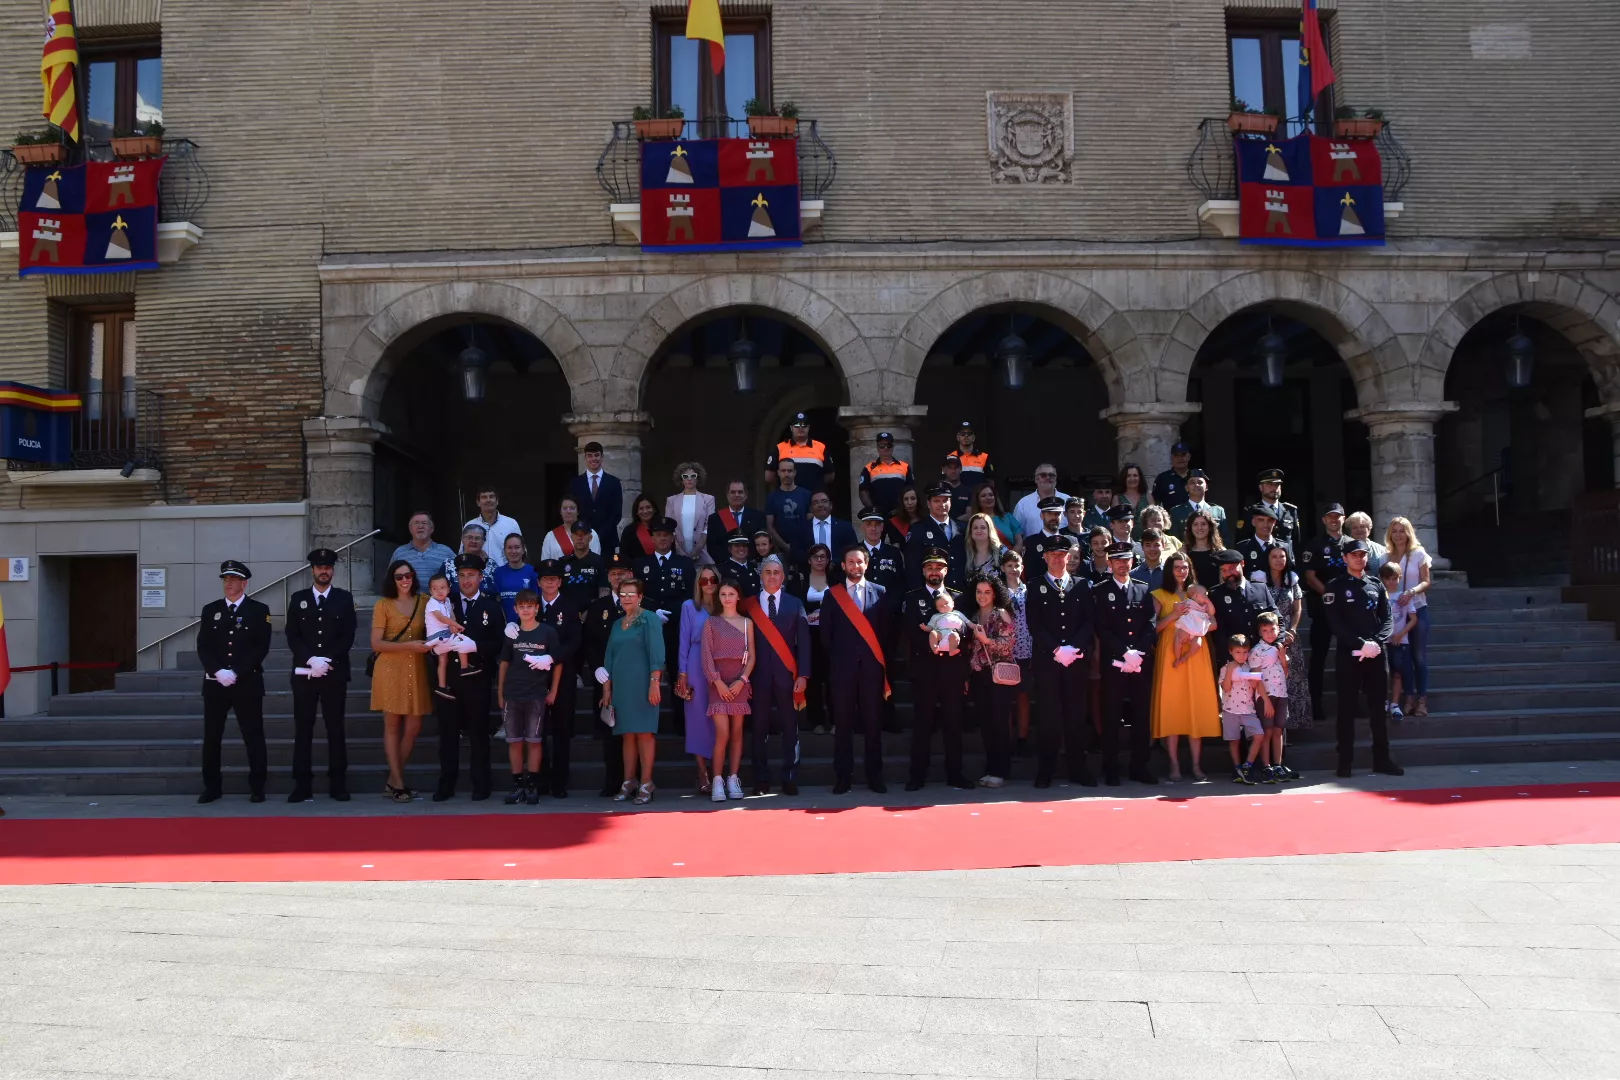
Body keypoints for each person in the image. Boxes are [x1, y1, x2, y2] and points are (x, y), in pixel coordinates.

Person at [1323, 539, 1403, 778]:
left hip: (1376, 654)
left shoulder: (1376, 584)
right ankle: (1345, 761)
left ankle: (1382, 759)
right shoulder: (1335, 586)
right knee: (1346, 708)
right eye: (1354, 555)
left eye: (1363, 554)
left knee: (1378, 708)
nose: (1359, 559)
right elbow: (1335, 623)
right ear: (1345, 558)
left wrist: (1376, 642)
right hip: (1349, 655)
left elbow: (1387, 619)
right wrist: (1360, 644)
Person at [196, 560, 272, 804]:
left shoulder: (259, 610)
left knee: (253, 735)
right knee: (212, 737)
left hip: (246, 682)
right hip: (215, 683)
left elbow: (261, 647)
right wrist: (218, 671)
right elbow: (204, 646)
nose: (228, 584)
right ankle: (212, 787)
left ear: (244, 583)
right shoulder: (211, 610)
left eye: (234, 580)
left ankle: (257, 787)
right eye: (226, 579)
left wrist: (236, 671)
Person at [284, 549, 357, 803]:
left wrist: (327, 660)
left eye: (327, 567)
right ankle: (302, 784)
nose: (323, 571)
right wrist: (310, 660)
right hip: (305, 674)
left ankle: (338, 783)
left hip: (333, 673)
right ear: (312, 570)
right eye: (319, 567)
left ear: (333, 570)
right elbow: (292, 634)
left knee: (335, 728)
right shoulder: (299, 598)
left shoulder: (344, 599)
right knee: (303, 729)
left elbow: (348, 635)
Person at [432, 554, 506, 802]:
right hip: (450, 679)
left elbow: (499, 643)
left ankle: (481, 784)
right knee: (448, 735)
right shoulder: (445, 603)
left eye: (471, 575)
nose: (466, 580)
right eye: (462, 575)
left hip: (478, 679)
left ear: (480, 577)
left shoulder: (491, 607)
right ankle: (446, 784)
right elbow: (430, 631)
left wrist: (476, 647)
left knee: (479, 734)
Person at [1026, 534, 1096, 788]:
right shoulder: (1035, 586)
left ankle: (1078, 769)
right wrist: (1056, 649)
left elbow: (1089, 621)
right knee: (1048, 716)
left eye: (1062, 554)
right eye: (1053, 554)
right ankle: (1046, 770)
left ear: (1069, 557)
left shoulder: (1082, 585)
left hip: (1075, 660)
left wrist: (1073, 647)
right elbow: (1035, 624)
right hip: (1048, 661)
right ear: (1045, 557)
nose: (1057, 558)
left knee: (1076, 716)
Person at [821, 546, 891, 794]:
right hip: (843, 670)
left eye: (859, 561)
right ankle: (843, 776)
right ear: (843, 566)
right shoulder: (832, 595)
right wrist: (842, 659)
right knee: (843, 724)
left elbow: (885, 631)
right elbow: (826, 635)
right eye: (850, 562)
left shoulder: (880, 592)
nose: (855, 566)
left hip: (871, 670)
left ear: (866, 564)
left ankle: (875, 776)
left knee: (872, 723)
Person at [902, 550, 972, 791]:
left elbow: (967, 630)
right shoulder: (913, 597)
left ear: (946, 571)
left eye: (938, 567)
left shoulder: (959, 597)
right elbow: (911, 631)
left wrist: (956, 641)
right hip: (925, 668)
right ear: (923, 571)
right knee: (923, 723)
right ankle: (917, 775)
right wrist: (937, 645)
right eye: (929, 567)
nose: (934, 572)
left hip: (953, 669)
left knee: (953, 722)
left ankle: (955, 774)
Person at [1150, 551, 1222, 783]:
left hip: (1196, 652)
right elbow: (1154, 628)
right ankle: (1174, 764)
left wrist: (1195, 627)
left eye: (1185, 567)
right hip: (1170, 651)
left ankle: (1196, 765)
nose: (1181, 571)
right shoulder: (1159, 595)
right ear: (1169, 571)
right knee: (1172, 706)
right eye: (1177, 567)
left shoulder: (1198, 595)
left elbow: (1213, 624)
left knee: (1195, 706)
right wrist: (1175, 615)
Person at [1093, 540, 1160, 785]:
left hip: (1140, 663)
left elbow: (1150, 624)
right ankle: (1111, 768)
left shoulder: (1143, 589)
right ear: (1110, 563)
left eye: (1126, 560)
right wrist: (1124, 652)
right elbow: (1101, 627)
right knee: (1111, 715)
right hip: (1114, 663)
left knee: (1141, 715)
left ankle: (1139, 766)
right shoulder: (1100, 590)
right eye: (1117, 560)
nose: (1123, 564)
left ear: (1132, 561)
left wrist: (1138, 652)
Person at [744, 555, 811, 795]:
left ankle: (790, 777)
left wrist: (803, 675)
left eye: (776, 573)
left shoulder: (795, 603)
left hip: (787, 676)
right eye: (767, 572)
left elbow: (804, 642)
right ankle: (761, 779)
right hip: (757, 676)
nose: (772, 577)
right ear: (760, 576)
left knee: (790, 727)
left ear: (783, 577)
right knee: (758, 728)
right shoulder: (748, 605)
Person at [599, 578, 666, 805]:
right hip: (622, 686)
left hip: (644, 684)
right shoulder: (617, 623)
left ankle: (647, 783)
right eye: (623, 594)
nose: (627, 598)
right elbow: (609, 656)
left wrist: (655, 682)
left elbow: (657, 652)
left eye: (631, 594)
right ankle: (629, 781)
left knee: (645, 733)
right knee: (627, 734)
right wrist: (607, 689)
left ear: (640, 596)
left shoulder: (649, 619)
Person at [370, 559, 431, 802]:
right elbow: (376, 643)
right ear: (392, 580)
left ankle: (392, 780)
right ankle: (397, 782)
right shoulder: (383, 604)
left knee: (414, 727)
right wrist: (409, 646)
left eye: (408, 575)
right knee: (392, 725)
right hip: (390, 668)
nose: (405, 580)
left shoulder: (424, 601)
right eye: (399, 576)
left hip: (416, 668)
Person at [496, 588, 562, 806]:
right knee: (514, 742)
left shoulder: (547, 632)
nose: (526, 610)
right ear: (515, 609)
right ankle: (517, 786)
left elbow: (557, 663)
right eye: (521, 607)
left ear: (537, 608)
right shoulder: (512, 633)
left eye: (530, 606)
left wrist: (553, 690)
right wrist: (500, 692)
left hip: (536, 694)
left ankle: (532, 785)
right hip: (512, 694)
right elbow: (504, 663)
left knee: (534, 742)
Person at [581, 555, 634, 796]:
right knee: (609, 732)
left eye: (622, 573)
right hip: (605, 680)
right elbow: (589, 643)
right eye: (613, 574)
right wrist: (596, 667)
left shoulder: (642, 605)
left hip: (633, 678)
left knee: (634, 731)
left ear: (630, 575)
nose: (617, 577)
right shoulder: (597, 607)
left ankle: (635, 780)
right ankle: (613, 781)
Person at [530, 560, 582, 798]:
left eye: (553, 579)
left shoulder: (569, 607)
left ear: (560, 582)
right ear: (539, 582)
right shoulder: (532, 606)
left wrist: (552, 657)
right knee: (537, 731)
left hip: (563, 676)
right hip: (535, 676)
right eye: (545, 579)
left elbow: (574, 641)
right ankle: (540, 780)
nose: (549, 583)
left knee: (562, 730)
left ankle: (560, 782)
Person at [702, 579, 755, 802]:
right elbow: (706, 656)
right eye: (723, 594)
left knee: (737, 732)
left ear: (738, 596)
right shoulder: (711, 622)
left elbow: (752, 657)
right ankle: (717, 779)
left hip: (739, 683)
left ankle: (733, 777)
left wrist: (742, 680)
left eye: (731, 594)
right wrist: (717, 682)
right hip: (718, 684)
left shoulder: (747, 623)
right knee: (722, 733)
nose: (727, 598)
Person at [637, 517, 694, 722]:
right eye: (659, 535)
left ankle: (681, 722)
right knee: (646, 675)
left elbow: (691, 595)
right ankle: (645, 722)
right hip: (647, 628)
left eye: (666, 535)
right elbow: (636, 595)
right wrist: (653, 612)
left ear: (672, 538)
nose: (662, 538)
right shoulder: (641, 564)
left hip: (676, 629)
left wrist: (672, 613)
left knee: (678, 674)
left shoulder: (684, 564)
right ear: (652, 538)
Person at [1259, 544, 1311, 757]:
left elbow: (1298, 608)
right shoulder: (1260, 580)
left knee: (1292, 682)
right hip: (1269, 637)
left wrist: (1293, 629)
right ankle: (1270, 731)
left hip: (1289, 637)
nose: (1279, 560)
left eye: (1282, 556)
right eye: (1274, 556)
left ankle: (1288, 730)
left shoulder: (1293, 580)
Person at [966, 573, 1016, 787]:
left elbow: (1008, 644)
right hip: (979, 675)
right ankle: (991, 768)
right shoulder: (974, 615)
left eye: (987, 592)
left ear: (995, 594)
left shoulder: (1001, 613)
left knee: (999, 723)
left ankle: (1001, 770)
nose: (982, 596)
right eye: (979, 592)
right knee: (986, 723)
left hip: (999, 676)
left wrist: (986, 640)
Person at [1300, 502, 1348, 722]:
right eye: (1330, 516)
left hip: (1348, 610)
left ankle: (1350, 704)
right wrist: (1331, 597)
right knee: (1319, 657)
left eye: (1338, 516)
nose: (1334, 520)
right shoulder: (1315, 544)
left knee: (1350, 658)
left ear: (1343, 519)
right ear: (1324, 520)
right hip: (1323, 610)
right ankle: (1316, 706)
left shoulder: (1351, 544)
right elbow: (1310, 577)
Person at [676, 566, 720, 795]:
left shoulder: (724, 605)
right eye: (704, 581)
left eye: (713, 579)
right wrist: (682, 673)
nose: (709, 584)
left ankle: (718, 771)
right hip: (695, 663)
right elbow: (683, 641)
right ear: (698, 584)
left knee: (719, 718)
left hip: (721, 663)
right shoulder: (689, 607)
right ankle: (702, 772)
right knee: (697, 718)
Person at [1385, 515, 1434, 718]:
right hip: (1396, 614)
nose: (1398, 535)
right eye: (1394, 531)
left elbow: (1426, 581)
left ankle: (1422, 700)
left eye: (1402, 531)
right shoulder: (1386, 556)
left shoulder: (1418, 553)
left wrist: (1411, 592)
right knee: (1402, 660)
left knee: (1418, 657)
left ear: (1408, 533)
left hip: (1417, 609)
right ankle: (1408, 698)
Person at [790, 543, 836, 734]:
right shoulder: (800, 580)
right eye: (816, 556)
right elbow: (794, 603)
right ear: (809, 560)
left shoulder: (836, 579)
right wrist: (807, 615)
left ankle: (835, 721)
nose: (819, 560)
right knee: (813, 679)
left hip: (832, 636)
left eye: (823, 556)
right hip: (808, 635)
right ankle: (816, 721)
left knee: (832, 679)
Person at [1208, 548, 1277, 674]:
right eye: (1224, 570)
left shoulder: (1260, 589)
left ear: (1242, 564)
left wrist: (1277, 646)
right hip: (1234, 662)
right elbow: (1218, 633)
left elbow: (1277, 619)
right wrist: (1229, 660)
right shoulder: (1215, 594)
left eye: (1231, 568)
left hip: (1265, 659)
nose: (1228, 573)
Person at [1219, 634, 1272, 784]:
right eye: (1238, 652)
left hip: (1248, 710)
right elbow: (1226, 688)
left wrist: (1253, 682)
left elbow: (1256, 686)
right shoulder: (1225, 668)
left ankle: (1247, 765)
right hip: (1230, 710)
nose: (1242, 656)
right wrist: (1230, 671)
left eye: (1245, 652)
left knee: (1259, 735)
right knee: (1234, 740)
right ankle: (1237, 768)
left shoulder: (1250, 669)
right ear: (1230, 651)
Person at [1249, 612, 1292, 782]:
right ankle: (1266, 766)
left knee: (1278, 729)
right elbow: (1256, 678)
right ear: (1260, 632)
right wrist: (1266, 701)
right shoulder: (1256, 651)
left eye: (1272, 629)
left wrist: (1283, 659)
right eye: (1265, 630)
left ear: (1278, 629)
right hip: (1265, 696)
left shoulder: (1280, 648)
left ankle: (1278, 764)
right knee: (1267, 730)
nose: (1269, 633)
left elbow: (1285, 672)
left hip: (1281, 693)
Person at [1000, 549, 1034, 755]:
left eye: (1017, 565)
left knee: (1023, 695)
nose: (1013, 569)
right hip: (1004, 652)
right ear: (1003, 568)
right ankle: (1005, 739)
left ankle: (1022, 738)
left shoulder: (1029, 591)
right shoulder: (998, 592)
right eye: (1009, 566)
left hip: (1025, 650)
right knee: (1005, 698)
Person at [425, 570, 477, 700]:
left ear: (448, 589)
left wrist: (453, 625)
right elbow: (441, 618)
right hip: (437, 636)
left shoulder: (447, 601)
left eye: (442, 587)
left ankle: (442, 686)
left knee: (443, 660)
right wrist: (456, 625)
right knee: (460, 641)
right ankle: (464, 667)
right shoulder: (432, 603)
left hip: (444, 633)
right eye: (435, 589)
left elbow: (451, 615)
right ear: (430, 591)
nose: (439, 591)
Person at [569, 441, 623, 558]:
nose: (593, 459)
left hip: (607, 540)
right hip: (582, 539)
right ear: (585, 458)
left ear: (602, 457)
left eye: (596, 455)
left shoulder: (614, 482)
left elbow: (616, 514)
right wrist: (584, 533)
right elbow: (573, 512)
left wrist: (598, 535)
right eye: (590, 456)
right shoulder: (575, 483)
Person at [1381, 562, 1418, 722]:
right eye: (1388, 579)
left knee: (1397, 673)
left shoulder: (1404, 597)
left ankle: (1395, 704)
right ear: (1382, 579)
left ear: (1400, 578)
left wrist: (1401, 634)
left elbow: (1413, 619)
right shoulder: (1379, 596)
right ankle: (1383, 702)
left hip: (1400, 642)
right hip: (1383, 642)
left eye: (1395, 578)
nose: (1392, 582)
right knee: (1383, 674)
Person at [765, 412, 834, 495]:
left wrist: (816, 485)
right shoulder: (780, 448)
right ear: (791, 428)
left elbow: (830, 475)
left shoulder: (820, 447)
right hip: (789, 497)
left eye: (804, 425)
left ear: (808, 427)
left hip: (813, 498)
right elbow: (769, 477)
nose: (801, 428)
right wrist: (783, 486)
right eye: (797, 425)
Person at [664, 461, 716, 565]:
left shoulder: (708, 499)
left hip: (702, 553)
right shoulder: (671, 500)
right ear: (681, 479)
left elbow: (709, 525)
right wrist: (679, 550)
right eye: (685, 476)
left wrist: (699, 548)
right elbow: (669, 526)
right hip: (678, 553)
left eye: (693, 476)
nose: (689, 479)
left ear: (698, 478)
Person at [1234, 468, 1300, 548]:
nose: (1274, 488)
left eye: (1277, 484)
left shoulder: (1291, 510)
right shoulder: (1250, 511)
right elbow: (1241, 541)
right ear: (1261, 487)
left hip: (1284, 555)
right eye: (1270, 484)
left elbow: (1297, 542)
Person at [706, 479, 766, 567]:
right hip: (725, 567)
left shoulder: (758, 516)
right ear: (727, 495)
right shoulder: (715, 518)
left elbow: (762, 542)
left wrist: (746, 564)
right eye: (733, 492)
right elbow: (712, 546)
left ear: (746, 495)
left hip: (752, 567)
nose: (736, 495)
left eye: (740, 492)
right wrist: (731, 564)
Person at [390, 511, 456, 587]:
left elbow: (458, 577)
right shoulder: (399, 553)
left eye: (424, 523)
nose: (420, 526)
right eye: (416, 523)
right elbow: (390, 581)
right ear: (410, 529)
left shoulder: (446, 552)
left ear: (431, 529)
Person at [858, 431, 914, 517]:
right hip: (878, 517)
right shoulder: (869, 468)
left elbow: (911, 490)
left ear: (893, 447)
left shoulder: (905, 466)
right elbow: (863, 492)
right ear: (877, 447)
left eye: (889, 445)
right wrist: (873, 510)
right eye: (882, 445)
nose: (885, 448)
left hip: (901, 515)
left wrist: (902, 509)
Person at [462, 485, 522, 560]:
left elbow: (521, 551)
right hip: (478, 567)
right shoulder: (470, 525)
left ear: (497, 501)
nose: (488, 500)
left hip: (505, 568)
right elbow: (462, 554)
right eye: (484, 497)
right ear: (478, 502)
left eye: (491, 496)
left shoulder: (511, 524)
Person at [490, 533, 539, 624]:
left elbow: (537, 601)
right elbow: (496, 601)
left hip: (527, 625)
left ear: (523, 550)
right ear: (504, 551)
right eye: (509, 548)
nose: (513, 551)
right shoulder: (498, 573)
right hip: (504, 625)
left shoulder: (533, 572)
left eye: (517, 547)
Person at [855, 508, 906, 596]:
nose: (873, 528)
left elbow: (900, 584)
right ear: (862, 527)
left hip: (889, 603)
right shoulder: (854, 552)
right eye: (869, 524)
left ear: (882, 527)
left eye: (877, 524)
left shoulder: (894, 553)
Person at [1013, 463, 1070, 538]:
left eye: (1051, 475)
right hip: (1032, 545)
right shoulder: (1023, 504)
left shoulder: (1067, 500)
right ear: (1036, 479)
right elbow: (1016, 533)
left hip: (1064, 545)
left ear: (1056, 479)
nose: (1048, 478)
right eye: (1043, 475)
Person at [765, 460, 810, 555]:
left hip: (804, 549)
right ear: (778, 473)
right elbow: (770, 526)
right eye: (783, 470)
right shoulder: (772, 497)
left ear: (795, 473)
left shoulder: (806, 495)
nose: (786, 474)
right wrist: (785, 546)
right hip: (780, 551)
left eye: (789, 471)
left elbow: (811, 523)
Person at [539, 495, 601, 562]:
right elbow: (545, 564)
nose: (568, 511)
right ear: (560, 512)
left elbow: (595, 561)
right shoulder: (550, 536)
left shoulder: (591, 533)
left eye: (572, 508)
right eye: (564, 508)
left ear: (578, 511)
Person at [1168, 470, 1226, 539]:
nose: (1196, 485)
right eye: (1192, 482)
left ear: (1206, 487)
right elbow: (1173, 539)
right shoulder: (1176, 512)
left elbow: (1225, 538)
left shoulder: (1218, 511)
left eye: (1200, 482)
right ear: (1186, 488)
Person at [561, 523, 606, 610]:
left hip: (593, 613)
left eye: (583, 534)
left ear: (590, 537)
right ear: (571, 537)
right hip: (567, 613)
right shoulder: (562, 562)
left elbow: (604, 590)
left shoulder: (599, 561)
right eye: (576, 534)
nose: (579, 538)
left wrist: (593, 611)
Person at [1234, 504, 1287, 578]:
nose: (1265, 525)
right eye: (1261, 520)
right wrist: (1251, 576)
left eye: (1269, 520)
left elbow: (1290, 571)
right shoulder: (1242, 548)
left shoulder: (1285, 547)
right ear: (1253, 522)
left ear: (1274, 523)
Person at [801, 490, 856, 559]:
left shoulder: (845, 527)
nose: (820, 505)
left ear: (831, 505)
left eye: (824, 501)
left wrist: (835, 563)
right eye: (816, 503)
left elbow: (853, 550)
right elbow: (797, 553)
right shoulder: (802, 529)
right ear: (811, 508)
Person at [1182, 508, 1227, 589]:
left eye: (1203, 524)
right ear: (1190, 528)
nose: (1199, 527)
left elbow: (1223, 583)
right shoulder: (1183, 552)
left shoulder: (1221, 552)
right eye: (1195, 524)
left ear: (1210, 527)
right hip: (1190, 595)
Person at [1172, 584, 1216, 666]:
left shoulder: (1205, 606)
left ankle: (1186, 656)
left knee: (1198, 644)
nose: (1207, 596)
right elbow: (1175, 605)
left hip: (1197, 631)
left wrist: (1209, 602)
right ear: (1196, 596)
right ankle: (1178, 658)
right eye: (1204, 594)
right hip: (1186, 627)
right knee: (1178, 640)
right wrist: (1177, 606)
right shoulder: (1188, 602)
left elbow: (1212, 612)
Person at [970, 482, 1021, 550]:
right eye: (983, 496)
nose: (988, 498)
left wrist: (1011, 556)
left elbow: (1019, 542)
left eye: (991, 495)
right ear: (977, 500)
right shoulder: (974, 521)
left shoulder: (1008, 517)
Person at [450, 523, 497, 594]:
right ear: (462, 539)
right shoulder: (449, 564)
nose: (473, 541)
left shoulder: (492, 565)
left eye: (477, 538)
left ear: (484, 541)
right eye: (469, 537)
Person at [946, 420, 994, 491]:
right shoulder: (950, 457)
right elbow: (945, 481)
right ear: (958, 437)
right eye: (962, 434)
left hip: (978, 497)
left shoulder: (984, 457)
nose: (966, 436)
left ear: (973, 437)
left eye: (969, 433)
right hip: (958, 496)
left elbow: (990, 481)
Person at [1023, 495, 1066, 567]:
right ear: (1042, 516)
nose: (1053, 517)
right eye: (1049, 514)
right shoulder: (1030, 543)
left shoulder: (1070, 540)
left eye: (1057, 514)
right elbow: (1029, 570)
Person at [960, 512, 1005, 580]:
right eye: (975, 528)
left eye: (983, 528)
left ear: (989, 530)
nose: (979, 530)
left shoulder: (1002, 552)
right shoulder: (964, 553)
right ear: (970, 531)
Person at [716, 532, 760, 597]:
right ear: (730, 549)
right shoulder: (722, 570)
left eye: (744, 545)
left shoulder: (755, 566)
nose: (741, 548)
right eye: (737, 546)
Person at [1152, 441, 1194, 510]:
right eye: (1176, 455)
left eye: (1183, 455)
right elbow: (1156, 504)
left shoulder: (1196, 477)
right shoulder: (1162, 479)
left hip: (1196, 516)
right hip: (1170, 516)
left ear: (1189, 457)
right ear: (1171, 458)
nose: (1180, 458)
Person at [926, 589, 968, 656]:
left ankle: (952, 650)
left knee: (955, 636)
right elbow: (930, 626)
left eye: (946, 603)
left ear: (952, 603)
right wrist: (926, 628)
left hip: (952, 634)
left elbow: (968, 622)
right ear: (937, 608)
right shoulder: (936, 616)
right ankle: (934, 648)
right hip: (940, 634)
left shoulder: (957, 613)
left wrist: (975, 626)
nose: (944, 606)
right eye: (941, 606)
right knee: (933, 633)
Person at [618, 494, 660, 561]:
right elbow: (624, 557)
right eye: (641, 508)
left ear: (654, 509)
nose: (645, 511)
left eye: (648, 507)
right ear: (637, 512)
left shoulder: (662, 528)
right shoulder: (629, 531)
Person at [1117, 463, 1153, 537]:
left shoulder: (1148, 496)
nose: (1132, 479)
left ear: (1140, 478)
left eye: (1135, 475)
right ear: (1124, 478)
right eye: (1128, 476)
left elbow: (1153, 518)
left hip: (1146, 539)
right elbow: (1116, 522)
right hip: (1125, 539)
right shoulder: (1117, 498)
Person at [938, 455, 973, 523]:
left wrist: (952, 523)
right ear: (943, 470)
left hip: (962, 527)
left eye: (956, 468)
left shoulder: (968, 491)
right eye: (950, 468)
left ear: (960, 469)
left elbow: (969, 515)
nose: (953, 471)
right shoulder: (938, 489)